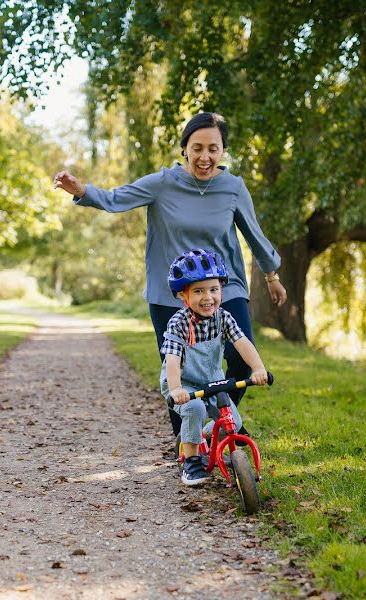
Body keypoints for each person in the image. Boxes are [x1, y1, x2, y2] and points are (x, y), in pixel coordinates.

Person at [53, 112, 286, 438]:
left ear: (222, 151)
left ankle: (216, 425)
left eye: (213, 149)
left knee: (244, 362)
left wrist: (271, 276)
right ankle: (185, 441)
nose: (205, 157)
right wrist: (81, 189)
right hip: (172, 294)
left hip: (224, 288)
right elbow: (115, 198)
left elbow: (254, 235)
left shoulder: (233, 187)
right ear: (184, 148)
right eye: (197, 147)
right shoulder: (163, 183)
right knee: (178, 370)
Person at [161, 249, 269, 485]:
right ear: (183, 295)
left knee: (235, 422)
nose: (207, 297)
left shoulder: (223, 317)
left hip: (213, 379)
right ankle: (191, 462)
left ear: (221, 288)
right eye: (198, 291)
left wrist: (258, 368)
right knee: (194, 410)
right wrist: (177, 388)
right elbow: (171, 359)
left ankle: (205, 436)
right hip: (183, 382)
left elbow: (242, 342)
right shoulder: (179, 323)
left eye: (213, 289)